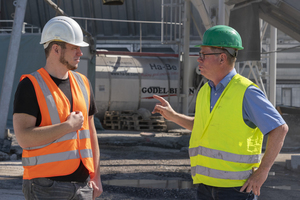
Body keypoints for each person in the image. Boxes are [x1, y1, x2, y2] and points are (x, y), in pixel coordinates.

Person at [152, 25, 288, 200]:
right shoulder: (205, 91)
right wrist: (173, 116)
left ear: (222, 58)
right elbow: (203, 127)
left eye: (203, 54)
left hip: (236, 190)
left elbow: (280, 129)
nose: (198, 59)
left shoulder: (246, 91)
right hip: (205, 186)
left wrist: (263, 172)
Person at [13, 16, 103, 200]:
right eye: (74, 47)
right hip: (45, 186)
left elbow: (91, 133)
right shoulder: (31, 85)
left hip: (83, 185)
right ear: (56, 49)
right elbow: (23, 138)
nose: (80, 52)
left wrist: (97, 176)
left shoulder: (83, 83)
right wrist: (68, 127)